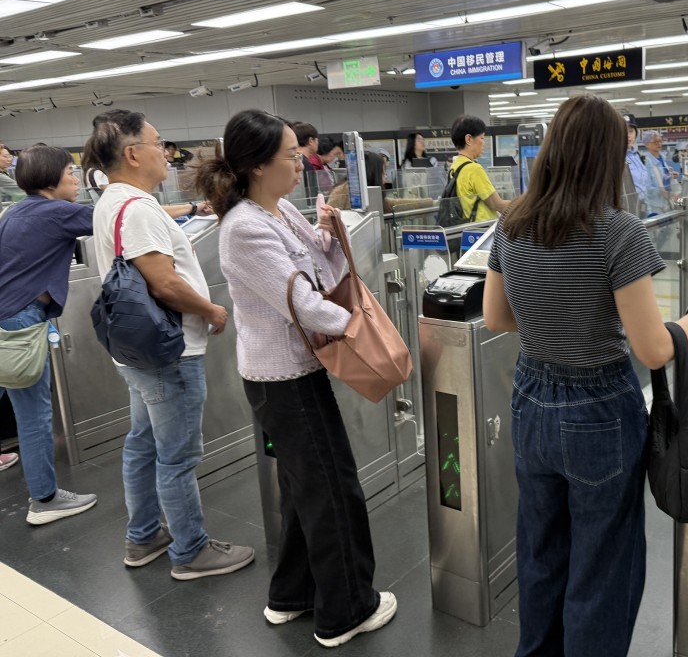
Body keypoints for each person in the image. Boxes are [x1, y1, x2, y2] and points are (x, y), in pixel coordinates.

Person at [482, 95, 688, 657]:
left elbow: (497, 318)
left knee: (542, 551)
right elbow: (651, 349)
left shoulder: (512, 223)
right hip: (597, 412)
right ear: (606, 157)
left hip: (530, 400)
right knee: (604, 563)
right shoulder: (619, 231)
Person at [194, 109, 396, 649]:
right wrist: (361, 327)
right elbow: (304, 305)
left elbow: (318, 271)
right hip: (282, 379)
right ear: (258, 165)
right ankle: (347, 610)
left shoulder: (279, 209)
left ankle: (291, 594)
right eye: (290, 154)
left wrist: (329, 235)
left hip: (295, 370)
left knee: (302, 488)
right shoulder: (244, 228)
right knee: (333, 489)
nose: (300, 162)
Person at [83, 110, 255, 577]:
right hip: (169, 353)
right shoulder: (138, 209)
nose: (168, 152)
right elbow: (163, 283)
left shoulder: (112, 202)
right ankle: (190, 550)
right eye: (159, 143)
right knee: (177, 455)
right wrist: (210, 310)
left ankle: (143, 537)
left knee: (142, 443)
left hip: (135, 353)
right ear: (133, 153)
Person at [0, 144, 98, 524]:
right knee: (34, 414)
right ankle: (44, 499)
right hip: (21, 321)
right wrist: (191, 209)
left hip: (8, 317)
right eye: (70, 173)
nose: (75, 179)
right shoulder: (55, 211)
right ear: (51, 178)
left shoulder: (18, 210)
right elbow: (115, 218)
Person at [327, 151, 433, 213]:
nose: (385, 176)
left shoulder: (370, 194)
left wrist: (430, 202)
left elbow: (393, 205)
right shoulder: (342, 193)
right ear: (373, 173)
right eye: (383, 172)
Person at [449, 114, 509, 222]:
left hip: (468, 229)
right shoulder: (474, 169)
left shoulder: (454, 166)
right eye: (482, 138)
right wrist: (525, 204)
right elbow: (497, 204)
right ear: (469, 139)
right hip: (483, 230)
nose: (484, 143)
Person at [642, 131, 673, 214]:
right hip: (655, 206)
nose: (659, 144)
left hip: (667, 203)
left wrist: (672, 176)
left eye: (660, 141)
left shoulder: (662, 158)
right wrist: (662, 192)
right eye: (656, 142)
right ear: (647, 144)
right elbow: (647, 187)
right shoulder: (646, 162)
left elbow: (663, 177)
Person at [623, 114, 649, 206]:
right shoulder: (615, 158)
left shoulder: (636, 156)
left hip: (642, 206)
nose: (628, 136)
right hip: (627, 208)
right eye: (624, 131)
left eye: (631, 131)